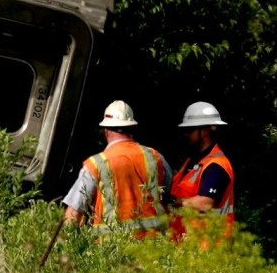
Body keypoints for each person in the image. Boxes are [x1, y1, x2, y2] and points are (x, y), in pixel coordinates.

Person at [63, 99, 173, 236]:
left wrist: (63, 250)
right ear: (132, 128)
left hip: (112, 251)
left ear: (105, 130)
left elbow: (73, 214)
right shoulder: (155, 157)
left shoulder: (96, 164)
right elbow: (168, 196)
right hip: (153, 248)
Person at [169, 101, 235, 244]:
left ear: (204, 131)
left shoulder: (216, 165)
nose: (186, 134)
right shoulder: (193, 160)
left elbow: (205, 203)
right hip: (187, 246)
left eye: (190, 130)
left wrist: (176, 202)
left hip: (208, 249)